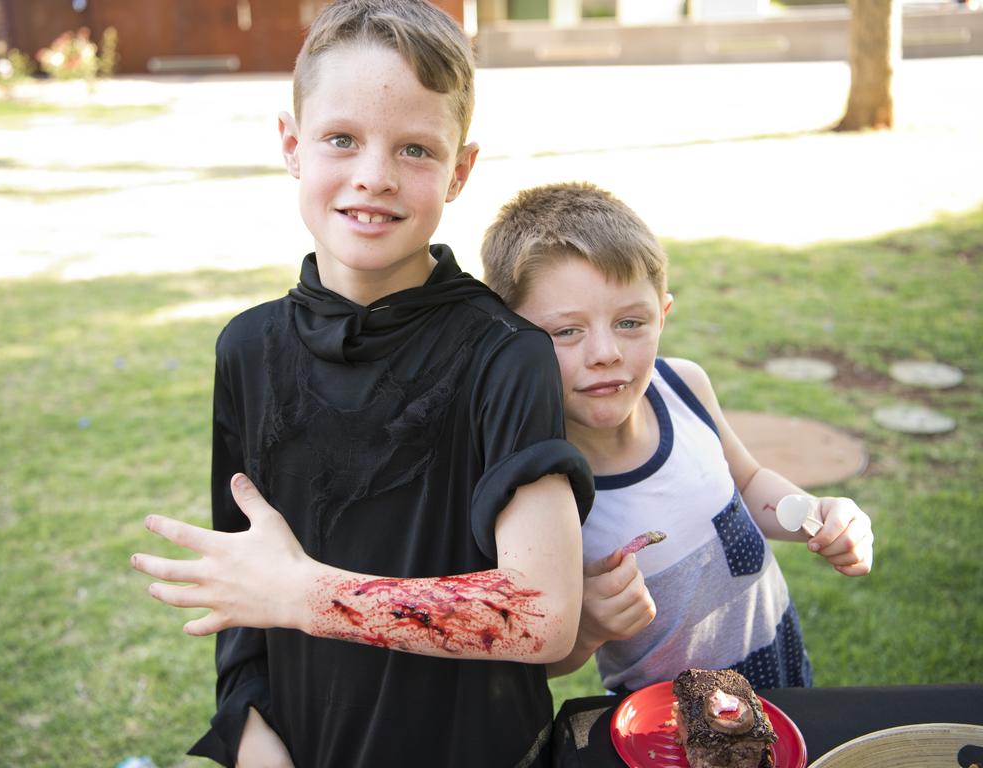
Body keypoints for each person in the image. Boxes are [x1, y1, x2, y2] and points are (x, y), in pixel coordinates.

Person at [130, 3, 593, 766]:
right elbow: (252, 592)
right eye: (341, 139)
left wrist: (310, 596)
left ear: (460, 171)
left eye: (415, 148)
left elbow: (542, 613)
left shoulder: (505, 355)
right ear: (291, 145)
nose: (373, 177)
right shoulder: (248, 349)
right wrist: (251, 734)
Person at [480, 181, 874, 694]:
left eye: (630, 322)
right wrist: (590, 625)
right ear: (509, 336)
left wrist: (816, 515)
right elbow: (542, 654)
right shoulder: (541, 490)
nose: (606, 352)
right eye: (566, 331)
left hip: (778, 670)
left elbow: (749, 483)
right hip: (671, 723)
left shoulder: (683, 386)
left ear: (662, 314)